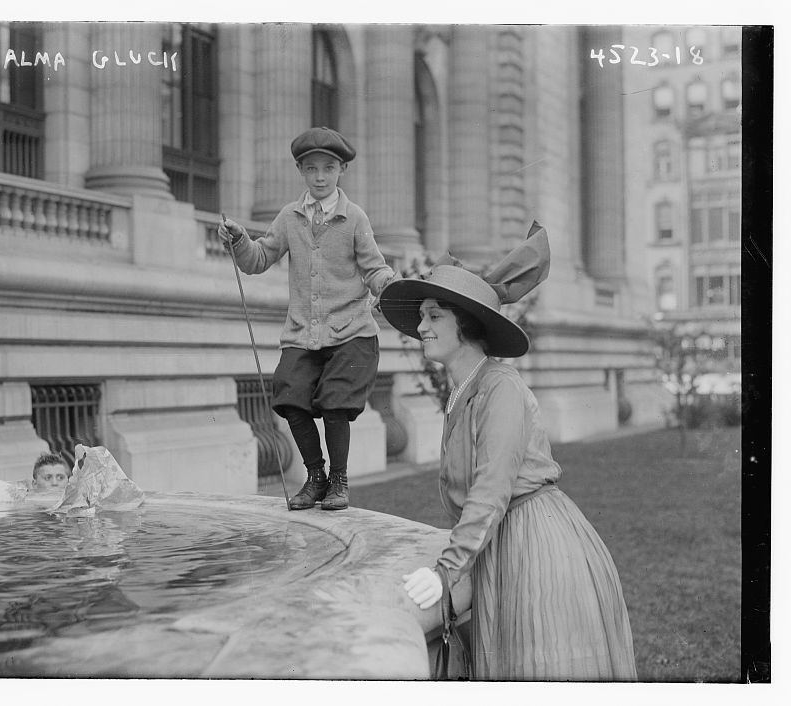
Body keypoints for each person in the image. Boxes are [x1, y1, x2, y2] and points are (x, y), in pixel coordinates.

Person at [380, 224, 637, 681]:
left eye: (434, 315)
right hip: (502, 540)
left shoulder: (500, 387)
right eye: (422, 315)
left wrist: (446, 571)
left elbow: (492, 489)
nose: (420, 327)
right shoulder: (466, 387)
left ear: (466, 323)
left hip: (536, 542)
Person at [218, 126, 398, 511]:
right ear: (301, 170)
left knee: (335, 402)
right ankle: (315, 477)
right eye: (311, 169)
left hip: (350, 331)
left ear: (341, 171)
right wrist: (238, 240)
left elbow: (374, 268)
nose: (320, 177)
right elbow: (259, 258)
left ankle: (339, 482)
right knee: (290, 396)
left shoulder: (355, 219)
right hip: (303, 332)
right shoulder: (289, 217)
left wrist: (390, 285)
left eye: (328, 168)